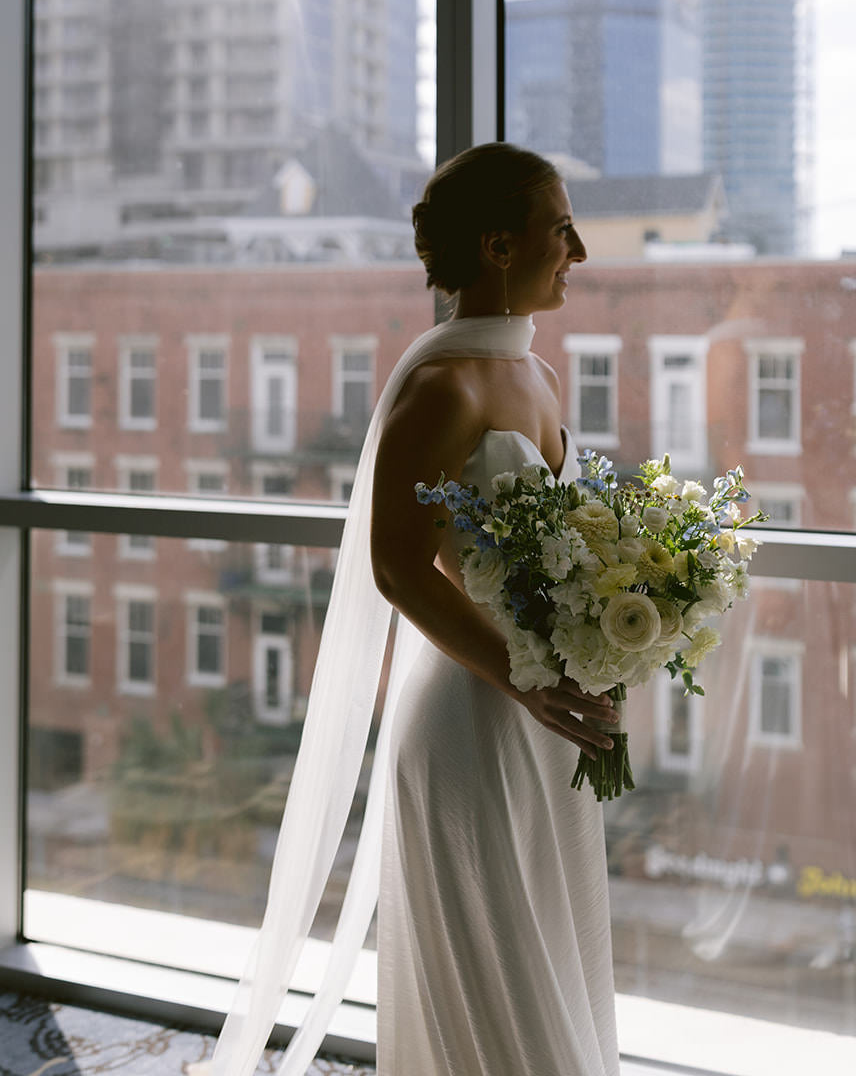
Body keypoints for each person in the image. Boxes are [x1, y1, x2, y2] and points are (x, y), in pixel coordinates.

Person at [195, 144, 619, 1076]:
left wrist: (614, 632)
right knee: (495, 975)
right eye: (561, 229)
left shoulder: (541, 380)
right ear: (501, 246)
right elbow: (397, 566)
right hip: (473, 709)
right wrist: (523, 676)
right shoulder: (443, 387)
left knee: (553, 949)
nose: (579, 250)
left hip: (544, 714)